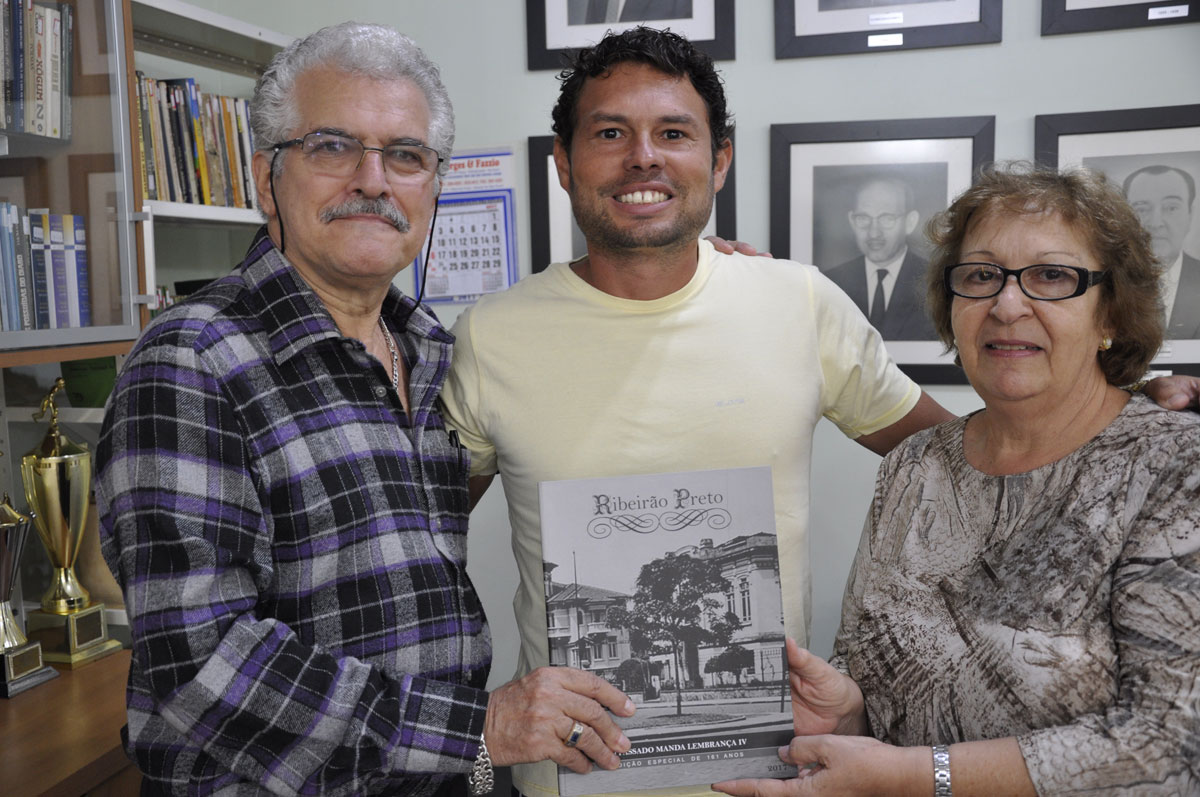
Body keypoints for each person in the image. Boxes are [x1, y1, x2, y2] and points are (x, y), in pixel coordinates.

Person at [96, 23, 634, 796]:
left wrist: (683, 266)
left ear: (433, 185)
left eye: (405, 155)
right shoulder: (192, 360)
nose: (373, 180)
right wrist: (479, 728)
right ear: (265, 176)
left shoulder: (430, 350)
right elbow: (200, 661)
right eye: (331, 146)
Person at [713, 163, 1200, 797]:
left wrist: (918, 776)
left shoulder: (1177, 469)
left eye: (1051, 276)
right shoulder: (916, 465)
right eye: (980, 275)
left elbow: (1169, 745)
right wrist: (848, 714)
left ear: (1112, 312)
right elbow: (886, 693)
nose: (1005, 303)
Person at [825, 176, 936, 340]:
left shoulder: (934, 283)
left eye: (887, 218)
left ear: (910, 223)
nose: (874, 232)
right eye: (863, 218)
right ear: (852, 221)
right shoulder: (830, 283)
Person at [1123, 163, 1200, 338]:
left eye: (1171, 208)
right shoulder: (1107, 283)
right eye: (1141, 209)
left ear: (1190, 215)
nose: (1156, 223)